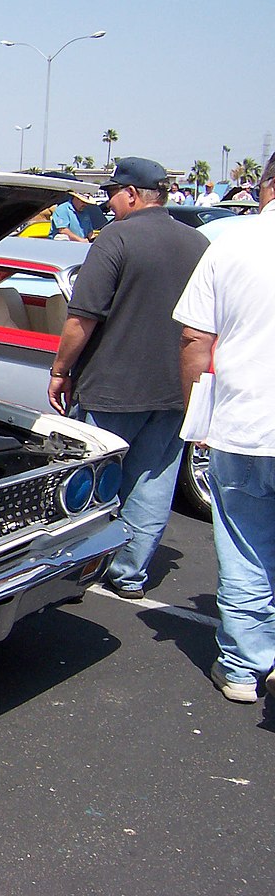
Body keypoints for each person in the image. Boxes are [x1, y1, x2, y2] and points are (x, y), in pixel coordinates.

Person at [47, 156, 208, 600]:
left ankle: (81, 567)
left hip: (113, 389)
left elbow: (82, 319)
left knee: (92, 482)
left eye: (113, 195)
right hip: (176, 390)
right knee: (154, 483)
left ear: (132, 194)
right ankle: (130, 574)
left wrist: (61, 371)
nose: (110, 205)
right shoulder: (198, 243)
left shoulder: (115, 240)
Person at [174, 151, 275, 704]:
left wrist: (198, 413)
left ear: (265, 187)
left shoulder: (228, 245)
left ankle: (241, 666)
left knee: (245, 545)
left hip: (243, 423)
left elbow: (195, 340)